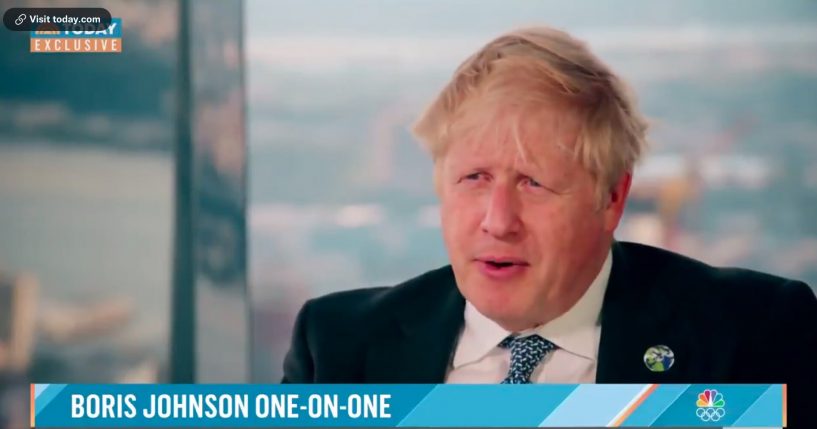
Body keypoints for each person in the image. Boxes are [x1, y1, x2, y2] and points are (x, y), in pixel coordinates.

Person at [281, 26, 817, 426]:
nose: (498, 221)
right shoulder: (337, 347)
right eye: (473, 178)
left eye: (534, 183)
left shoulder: (754, 333)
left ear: (611, 198)